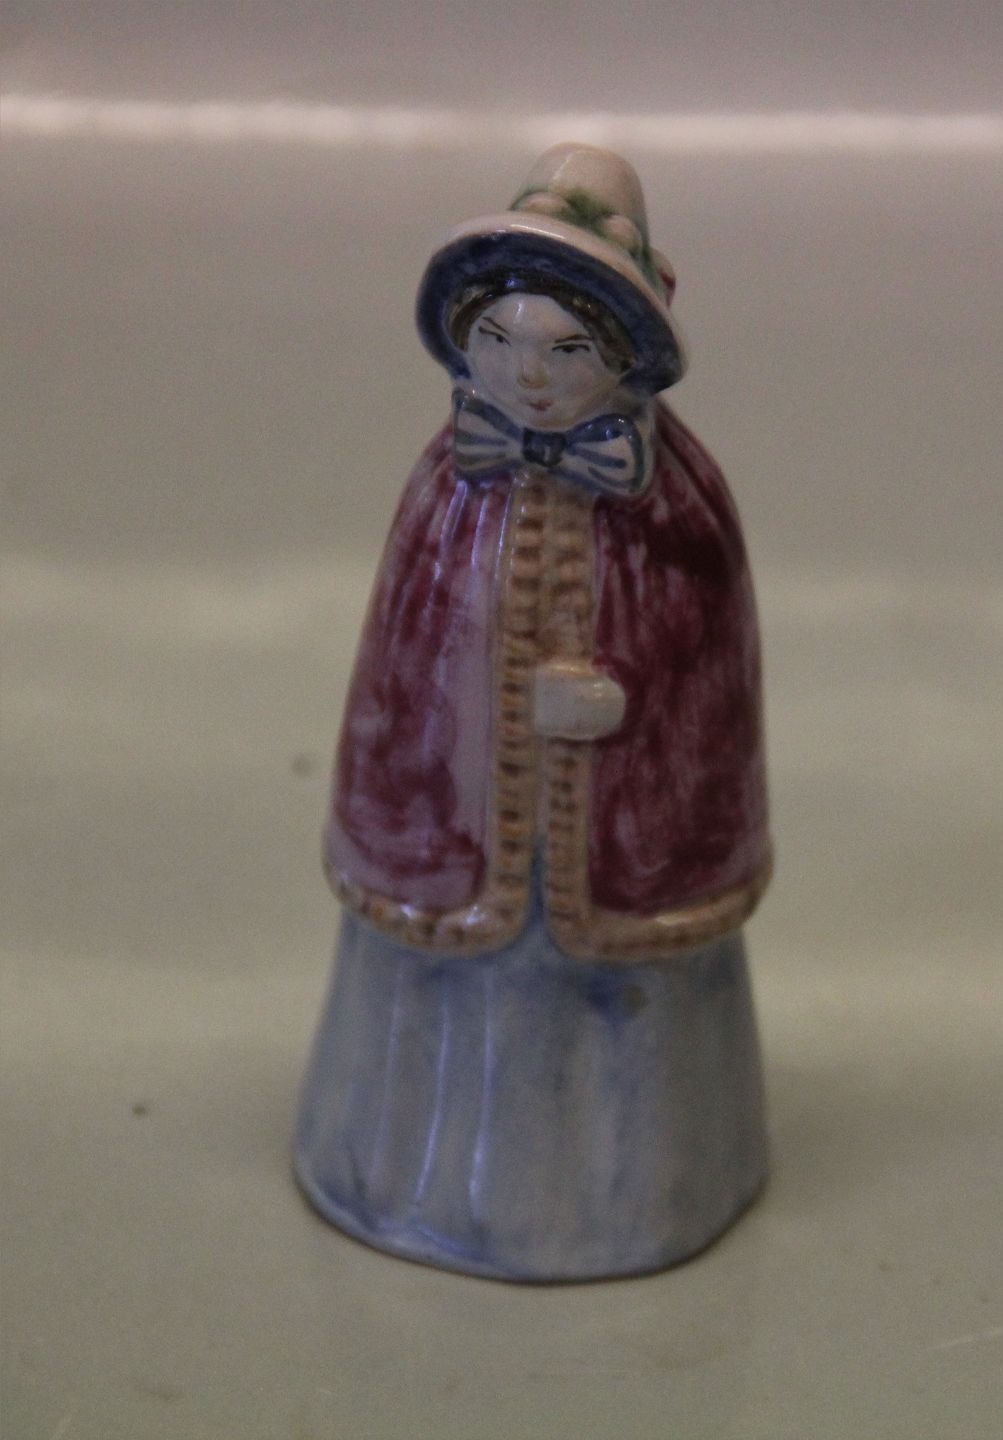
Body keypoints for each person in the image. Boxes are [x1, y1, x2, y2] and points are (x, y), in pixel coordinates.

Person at [295, 144, 772, 1280]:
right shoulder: (444, 491)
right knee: (449, 989)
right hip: (461, 839)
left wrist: (627, 705)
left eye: (565, 350)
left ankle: (637, 1195)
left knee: (623, 1011)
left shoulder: (681, 503)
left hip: (622, 844)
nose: (531, 377)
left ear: (623, 355)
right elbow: (406, 663)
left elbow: (706, 668)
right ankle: (410, 1176)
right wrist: (475, 721)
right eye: (499, 343)